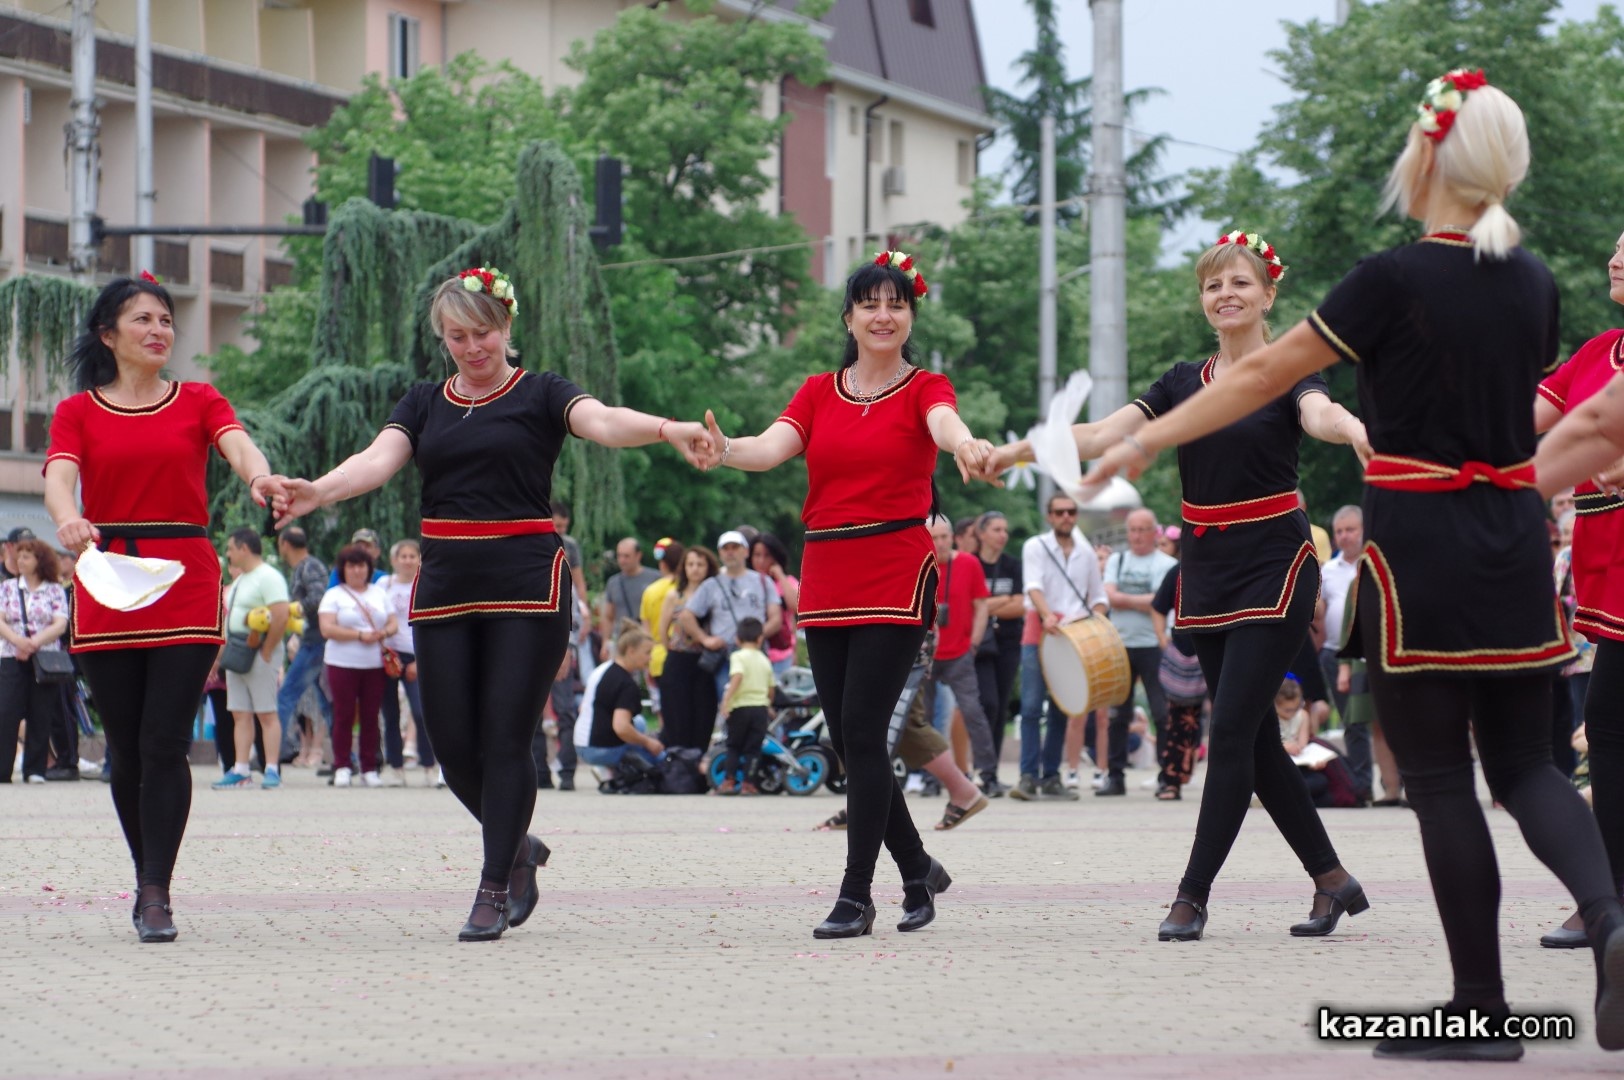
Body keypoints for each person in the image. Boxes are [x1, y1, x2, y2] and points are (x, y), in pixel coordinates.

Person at [1093, 72, 1624, 1057]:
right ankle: (1612, 922)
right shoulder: (1535, 280)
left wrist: (1142, 440)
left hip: (1419, 546)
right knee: (1527, 765)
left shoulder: (1390, 279)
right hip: (1513, 537)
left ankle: (1479, 1012)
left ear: (1426, 156)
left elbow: (1267, 372)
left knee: (1439, 777)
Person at [271, 265, 711, 942]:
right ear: (442, 339)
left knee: (506, 735)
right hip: (446, 585)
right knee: (451, 744)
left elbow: (602, 421)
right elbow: (377, 460)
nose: (472, 347)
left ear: (506, 326)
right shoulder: (424, 402)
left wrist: (666, 427)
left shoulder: (541, 392)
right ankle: (518, 847)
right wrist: (319, 491)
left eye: (483, 333)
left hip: (527, 582)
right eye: (457, 336)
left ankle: (494, 884)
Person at [994, 225, 1370, 946]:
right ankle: (1331, 878)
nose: (1225, 294)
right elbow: (1103, 433)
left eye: (1239, 282)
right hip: (1206, 565)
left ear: (1268, 294)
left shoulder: (1289, 370)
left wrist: (1352, 427)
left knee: (1228, 733)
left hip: (1275, 561)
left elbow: (1319, 414)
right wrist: (1016, 452)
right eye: (1212, 284)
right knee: (1253, 740)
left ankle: (1192, 895)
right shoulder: (1180, 381)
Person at [697, 250, 993, 937]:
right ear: (849, 318)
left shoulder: (926, 387)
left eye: (896, 304)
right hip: (828, 570)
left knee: (861, 731)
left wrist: (967, 444)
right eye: (869, 304)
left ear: (910, 315)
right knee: (850, 737)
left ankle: (856, 895)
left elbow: (946, 425)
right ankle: (917, 868)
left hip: (895, 567)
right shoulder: (817, 391)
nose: (883, 315)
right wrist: (725, 447)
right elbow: (770, 447)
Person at [45, 274, 278, 943]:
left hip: (184, 578)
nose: (158, 331)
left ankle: (155, 891)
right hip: (108, 578)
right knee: (125, 747)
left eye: (166, 320)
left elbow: (238, 446)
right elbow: (59, 477)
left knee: (164, 742)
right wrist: (67, 519)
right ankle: (146, 872)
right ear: (108, 335)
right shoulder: (78, 411)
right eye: (143, 319)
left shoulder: (200, 399)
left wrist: (260, 476)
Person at [1527, 229, 1624, 950]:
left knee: (1611, 727)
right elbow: (1523, 421)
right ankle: (1608, 899)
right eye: (1614, 248)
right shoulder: (1598, 352)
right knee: (1610, 731)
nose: (1615, 258)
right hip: (1604, 560)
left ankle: (1607, 900)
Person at [1009, 493, 1107, 802]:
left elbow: (1099, 598)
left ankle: (1051, 777)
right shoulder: (1035, 546)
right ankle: (1027, 777)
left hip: (1074, 637)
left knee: (1062, 708)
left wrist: (1096, 623)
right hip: (1040, 630)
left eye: (1071, 512)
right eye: (1059, 512)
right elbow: (1033, 587)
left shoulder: (1086, 553)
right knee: (1031, 706)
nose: (1066, 517)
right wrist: (1047, 614)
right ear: (1049, 516)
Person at [919, 516, 1002, 798]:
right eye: (934, 538)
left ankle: (988, 774)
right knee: (923, 718)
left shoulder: (968, 563)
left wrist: (974, 643)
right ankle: (929, 778)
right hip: (927, 653)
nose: (940, 543)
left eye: (944, 537)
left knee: (972, 711)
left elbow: (982, 606)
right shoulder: (918, 565)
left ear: (953, 537)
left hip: (959, 653)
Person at [1100, 508, 1177, 797]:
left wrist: (1124, 599)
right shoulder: (1117, 560)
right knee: (1118, 714)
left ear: (1154, 532)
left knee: (1161, 712)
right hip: (1119, 645)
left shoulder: (1167, 564)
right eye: (1132, 530)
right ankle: (1115, 776)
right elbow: (1109, 597)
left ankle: (1167, 776)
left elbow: (1161, 602)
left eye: (1143, 529)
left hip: (1154, 644)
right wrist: (1144, 601)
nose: (1137, 536)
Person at [212, 528, 290, 790]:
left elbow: (280, 614)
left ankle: (272, 768)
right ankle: (241, 768)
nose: (228, 554)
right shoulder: (243, 579)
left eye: (231, 548)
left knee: (266, 712)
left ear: (244, 548)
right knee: (240, 712)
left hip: (259, 649)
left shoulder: (268, 577)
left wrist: (268, 649)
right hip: (237, 650)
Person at [318, 545, 396, 788]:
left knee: (371, 715)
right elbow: (326, 628)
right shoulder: (334, 595)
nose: (356, 571)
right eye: (351, 566)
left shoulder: (379, 593)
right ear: (343, 569)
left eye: (361, 565)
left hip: (374, 664)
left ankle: (369, 767)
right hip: (342, 662)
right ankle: (342, 765)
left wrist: (383, 633)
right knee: (344, 714)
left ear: (368, 568)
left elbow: (393, 622)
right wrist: (359, 636)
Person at [678, 530, 782, 705]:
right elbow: (686, 615)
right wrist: (705, 639)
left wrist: (754, 637)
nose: (730, 552)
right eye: (726, 548)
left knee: (761, 702)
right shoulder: (711, 584)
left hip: (756, 654)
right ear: (720, 553)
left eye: (735, 547)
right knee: (729, 703)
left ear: (745, 551)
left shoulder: (762, 581)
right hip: (726, 656)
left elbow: (776, 618)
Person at [0, 539, 69, 784]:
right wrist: (18, 641)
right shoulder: (8, 587)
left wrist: (34, 642)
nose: (20, 561)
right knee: (6, 711)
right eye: (19, 556)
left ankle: (35, 769)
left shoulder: (54, 589)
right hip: (11, 655)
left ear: (40, 561)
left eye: (26, 557)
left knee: (41, 711)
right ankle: (3, 768)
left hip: (44, 657)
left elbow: (60, 623)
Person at [275, 527, 332, 767]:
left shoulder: (310, 567)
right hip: (311, 641)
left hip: (315, 642)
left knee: (285, 696)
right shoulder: (304, 567)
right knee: (326, 703)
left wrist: (293, 609)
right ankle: (346, 759)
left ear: (285, 544)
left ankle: (273, 753)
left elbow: (319, 598)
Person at [379, 538, 434, 786]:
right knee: (390, 714)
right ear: (394, 560)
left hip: (416, 654)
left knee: (422, 713)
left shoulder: (426, 583)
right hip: (389, 655)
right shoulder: (384, 584)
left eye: (413, 556)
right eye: (403, 556)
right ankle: (396, 768)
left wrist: (421, 660)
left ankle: (429, 765)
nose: (408, 561)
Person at [1148, 562, 1204, 800]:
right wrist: (1162, 639)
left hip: (1223, 649)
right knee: (1179, 720)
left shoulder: (1230, 564)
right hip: (1184, 651)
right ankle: (1171, 780)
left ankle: (1234, 783)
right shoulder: (1179, 571)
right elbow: (1158, 607)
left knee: (1230, 719)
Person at [577, 624, 664, 773]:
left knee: (639, 723)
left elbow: (582, 708)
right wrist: (648, 742)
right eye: (647, 652)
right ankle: (616, 771)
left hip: (581, 745)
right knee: (660, 758)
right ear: (631, 651)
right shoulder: (626, 684)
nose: (650, 658)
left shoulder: (602, 669)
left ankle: (609, 771)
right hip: (599, 749)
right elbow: (621, 728)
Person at [658, 546, 721, 753]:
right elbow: (662, 629)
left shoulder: (715, 594)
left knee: (703, 714)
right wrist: (671, 648)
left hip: (706, 660)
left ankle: (698, 757)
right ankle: (678, 758)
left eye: (700, 564)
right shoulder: (674, 595)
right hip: (679, 658)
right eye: (690, 564)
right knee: (677, 713)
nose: (695, 569)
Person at [973, 511, 1023, 768]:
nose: (1003, 535)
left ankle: (990, 771)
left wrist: (983, 605)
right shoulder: (970, 563)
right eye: (996, 530)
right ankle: (980, 762)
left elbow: (1020, 605)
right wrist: (1003, 600)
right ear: (981, 534)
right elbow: (965, 605)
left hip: (1008, 642)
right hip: (980, 643)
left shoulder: (1013, 565)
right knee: (988, 703)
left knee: (1001, 704)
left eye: (1005, 530)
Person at [716, 616, 774, 794]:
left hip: (740, 708)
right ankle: (749, 784)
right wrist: (768, 704)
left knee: (734, 746)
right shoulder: (764, 659)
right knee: (754, 748)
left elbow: (737, 676)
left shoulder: (738, 656)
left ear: (737, 639)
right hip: (760, 709)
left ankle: (729, 781)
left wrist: (726, 701)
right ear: (760, 639)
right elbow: (771, 688)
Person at [599, 538, 660, 662]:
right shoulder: (613, 582)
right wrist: (605, 641)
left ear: (638, 555)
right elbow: (609, 616)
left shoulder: (655, 578)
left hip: (647, 641)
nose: (622, 560)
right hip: (622, 642)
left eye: (627, 556)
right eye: (619, 556)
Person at [750, 533, 801, 677]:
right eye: (757, 555)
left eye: (767, 556)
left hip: (781, 653)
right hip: (752, 652)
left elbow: (797, 608)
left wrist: (780, 575)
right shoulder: (746, 582)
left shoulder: (787, 581)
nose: (761, 561)